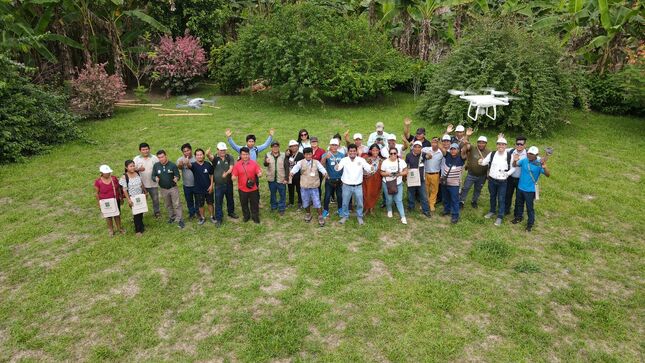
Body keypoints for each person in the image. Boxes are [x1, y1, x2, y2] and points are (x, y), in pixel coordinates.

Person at [512, 146, 550, 232]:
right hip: (520, 187)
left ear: (536, 155)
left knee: (529, 208)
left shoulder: (539, 164)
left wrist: (544, 167)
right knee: (519, 204)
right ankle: (518, 217)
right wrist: (515, 160)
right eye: (528, 153)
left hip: (530, 190)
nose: (529, 155)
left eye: (532, 154)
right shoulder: (524, 160)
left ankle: (530, 224)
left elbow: (548, 175)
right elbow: (515, 165)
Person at [335, 144, 375, 225]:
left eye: (354, 151)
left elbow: (368, 168)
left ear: (356, 151)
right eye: (350, 151)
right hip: (346, 186)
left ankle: (359, 216)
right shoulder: (344, 160)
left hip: (358, 186)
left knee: (360, 203)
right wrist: (336, 167)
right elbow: (338, 168)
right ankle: (345, 216)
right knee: (345, 202)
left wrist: (371, 167)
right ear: (348, 152)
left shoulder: (361, 160)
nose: (352, 152)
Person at [479, 137, 516, 226]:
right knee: (492, 196)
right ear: (496, 145)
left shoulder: (509, 156)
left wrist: (507, 174)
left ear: (505, 146)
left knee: (501, 198)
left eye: (503, 144)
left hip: (502, 181)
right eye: (499, 144)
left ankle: (500, 216)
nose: (501, 146)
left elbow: (514, 167)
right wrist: (480, 161)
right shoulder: (492, 154)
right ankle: (492, 211)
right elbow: (484, 162)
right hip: (492, 180)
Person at [289, 147, 328, 226]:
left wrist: (325, 173)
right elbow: (295, 168)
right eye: (306, 154)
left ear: (312, 154)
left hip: (314, 186)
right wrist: (292, 173)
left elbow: (322, 169)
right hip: (304, 186)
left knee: (317, 201)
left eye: (310, 154)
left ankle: (320, 216)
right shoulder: (300, 162)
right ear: (304, 155)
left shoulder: (316, 162)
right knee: (305, 201)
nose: (308, 156)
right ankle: (308, 213)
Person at [206, 142, 237, 227]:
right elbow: (210, 158)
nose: (223, 152)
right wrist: (208, 154)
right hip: (218, 185)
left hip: (228, 183)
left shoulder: (229, 157)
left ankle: (231, 212)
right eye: (221, 150)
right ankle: (219, 218)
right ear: (217, 150)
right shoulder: (215, 158)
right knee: (218, 202)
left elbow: (231, 168)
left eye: (224, 150)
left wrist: (226, 174)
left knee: (230, 199)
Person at [152, 150, 185, 229]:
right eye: (159, 157)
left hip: (173, 188)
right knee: (168, 204)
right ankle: (172, 217)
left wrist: (176, 178)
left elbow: (178, 175)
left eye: (162, 157)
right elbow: (153, 176)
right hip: (163, 189)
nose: (161, 159)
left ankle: (180, 219)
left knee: (177, 204)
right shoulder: (156, 166)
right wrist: (155, 178)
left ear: (166, 156)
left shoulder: (172, 165)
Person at [231, 147, 263, 223]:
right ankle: (246, 216)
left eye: (247, 154)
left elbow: (258, 172)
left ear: (249, 155)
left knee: (254, 204)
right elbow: (234, 176)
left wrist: (260, 174)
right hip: (242, 189)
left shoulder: (254, 163)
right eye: (243, 154)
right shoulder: (237, 165)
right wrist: (233, 177)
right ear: (240, 155)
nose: (245, 156)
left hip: (253, 188)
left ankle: (255, 217)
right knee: (244, 204)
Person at [459, 134, 490, 209]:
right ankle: (461, 201)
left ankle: (474, 201)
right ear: (477, 143)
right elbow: (463, 146)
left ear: (486, 143)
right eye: (479, 142)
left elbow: (490, 163)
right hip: (471, 174)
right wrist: (467, 138)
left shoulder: (489, 152)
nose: (481, 144)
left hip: (482, 176)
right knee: (465, 188)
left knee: (478, 189)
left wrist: (488, 174)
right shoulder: (472, 148)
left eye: (483, 142)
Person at [186, 149, 215, 225]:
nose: (199, 156)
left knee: (210, 203)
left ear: (203, 155)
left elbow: (211, 175)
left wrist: (211, 185)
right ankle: (202, 218)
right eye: (197, 155)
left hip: (208, 188)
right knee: (200, 205)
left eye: (201, 154)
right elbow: (189, 166)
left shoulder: (208, 164)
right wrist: (187, 162)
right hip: (198, 189)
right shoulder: (193, 165)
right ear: (195, 156)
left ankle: (212, 216)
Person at [381, 147, 409, 224]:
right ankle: (389, 209)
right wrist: (388, 174)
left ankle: (403, 216)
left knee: (399, 200)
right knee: (389, 199)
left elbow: (406, 171)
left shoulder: (401, 162)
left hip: (398, 183)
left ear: (397, 154)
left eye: (395, 153)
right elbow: (382, 173)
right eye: (391, 153)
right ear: (389, 154)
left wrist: (399, 174)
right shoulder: (385, 162)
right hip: (387, 183)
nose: (393, 155)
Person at [441, 143, 468, 223]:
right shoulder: (447, 155)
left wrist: (466, 142)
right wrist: (437, 141)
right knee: (446, 198)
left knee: (455, 200)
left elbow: (465, 150)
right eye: (451, 149)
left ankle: (455, 216)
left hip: (454, 184)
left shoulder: (461, 158)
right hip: (445, 182)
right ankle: (447, 210)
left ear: (458, 150)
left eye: (454, 149)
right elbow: (442, 148)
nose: (453, 150)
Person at [94, 164, 124, 236]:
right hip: (105, 202)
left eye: (108, 172)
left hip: (115, 200)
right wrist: (99, 203)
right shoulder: (98, 182)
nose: (108, 173)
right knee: (108, 216)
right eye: (106, 172)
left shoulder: (114, 179)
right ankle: (111, 229)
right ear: (101, 173)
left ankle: (119, 228)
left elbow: (119, 189)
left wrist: (121, 197)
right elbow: (97, 193)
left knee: (117, 214)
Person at [405, 141, 431, 217]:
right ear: (413, 147)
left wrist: (427, 154)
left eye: (419, 147)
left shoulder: (423, 155)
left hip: (421, 179)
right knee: (410, 194)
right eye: (415, 146)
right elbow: (406, 165)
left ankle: (426, 210)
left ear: (421, 148)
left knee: (423, 195)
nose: (417, 148)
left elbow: (429, 157)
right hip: (411, 178)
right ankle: (410, 207)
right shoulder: (408, 155)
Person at [133, 142, 160, 218]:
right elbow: (131, 170)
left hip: (153, 183)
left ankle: (157, 212)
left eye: (147, 149)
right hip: (141, 185)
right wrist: (138, 169)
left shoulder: (154, 158)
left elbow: (159, 168)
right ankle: (141, 213)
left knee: (155, 199)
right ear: (140, 151)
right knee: (141, 200)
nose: (145, 151)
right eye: (143, 150)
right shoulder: (136, 159)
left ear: (149, 149)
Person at [119, 160, 146, 236]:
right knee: (136, 213)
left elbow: (141, 184)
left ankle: (141, 225)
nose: (132, 167)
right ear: (126, 167)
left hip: (140, 196)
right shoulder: (125, 177)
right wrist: (129, 200)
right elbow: (124, 190)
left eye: (133, 166)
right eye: (130, 166)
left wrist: (145, 192)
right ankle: (138, 230)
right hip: (132, 198)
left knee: (141, 211)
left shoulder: (137, 173)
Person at [321, 138, 345, 218]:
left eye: (336, 145)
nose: (334, 147)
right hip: (329, 179)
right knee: (327, 195)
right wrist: (325, 158)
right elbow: (321, 165)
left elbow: (344, 166)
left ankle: (340, 209)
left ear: (338, 146)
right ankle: (325, 210)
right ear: (330, 146)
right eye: (332, 145)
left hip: (339, 179)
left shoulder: (341, 155)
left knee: (340, 196)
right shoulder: (326, 154)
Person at [505, 135, 527, 216]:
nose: (519, 146)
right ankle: (506, 210)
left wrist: (546, 156)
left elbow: (538, 159)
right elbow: (501, 148)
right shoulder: (511, 151)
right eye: (518, 144)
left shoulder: (528, 154)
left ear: (525, 145)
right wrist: (499, 139)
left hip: (521, 180)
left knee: (519, 198)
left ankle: (517, 214)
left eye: (521, 144)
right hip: (510, 178)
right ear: (515, 144)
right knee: (507, 195)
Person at [263, 141, 288, 215]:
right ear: (271, 147)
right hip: (271, 178)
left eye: (277, 146)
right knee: (273, 194)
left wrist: (286, 178)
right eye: (274, 146)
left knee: (282, 194)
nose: (275, 148)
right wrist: (266, 162)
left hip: (281, 178)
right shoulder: (267, 154)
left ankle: (282, 208)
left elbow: (287, 168)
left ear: (279, 147)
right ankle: (273, 206)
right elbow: (265, 164)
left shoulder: (284, 155)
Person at [421, 137, 444, 213]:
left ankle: (432, 204)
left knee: (434, 190)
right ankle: (426, 203)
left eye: (436, 142)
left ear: (438, 144)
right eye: (433, 142)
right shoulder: (426, 149)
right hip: (426, 173)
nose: (434, 144)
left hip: (435, 174)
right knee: (425, 190)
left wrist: (442, 175)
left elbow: (442, 165)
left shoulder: (441, 153)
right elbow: (417, 149)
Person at [176, 143, 197, 219]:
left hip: (196, 184)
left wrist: (188, 163)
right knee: (189, 200)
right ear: (182, 152)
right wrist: (180, 165)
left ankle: (198, 212)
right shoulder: (180, 159)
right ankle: (192, 213)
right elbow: (179, 168)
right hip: (187, 185)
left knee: (197, 200)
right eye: (184, 151)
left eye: (188, 150)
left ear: (191, 150)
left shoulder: (196, 158)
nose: (186, 152)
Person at [362, 144, 383, 215]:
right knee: (366, 193)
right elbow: (362, 168)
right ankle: (366, 209)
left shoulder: (381, 160)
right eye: (373, 150)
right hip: (367, 180)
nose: (375, 152)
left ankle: (371, 208)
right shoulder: (366, 158)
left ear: (379, 151)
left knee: (374, 194)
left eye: (376, 150)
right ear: (370, 151)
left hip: (377, 180)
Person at [285, 140, 304, 208]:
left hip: (298, 175)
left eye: (295, 146)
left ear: (298, 146)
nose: (293, 148)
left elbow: (303, 165)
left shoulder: (301, 155)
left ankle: (300, 202)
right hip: (290, 175)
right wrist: (286, 154)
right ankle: (291, 202)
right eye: (291, 146)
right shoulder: (288, 154)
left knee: (299, 189)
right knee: (290, 189)